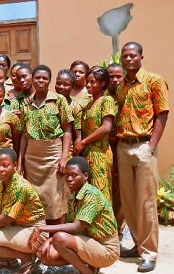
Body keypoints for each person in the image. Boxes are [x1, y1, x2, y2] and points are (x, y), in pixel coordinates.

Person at [116, 42, 169, 272]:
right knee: (129, 202)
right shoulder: (120, 87)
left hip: (143, 146)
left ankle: (149, 252)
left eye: (132, 55)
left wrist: (151, 145)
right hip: (122, 146)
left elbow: (162, 114)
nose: (128, 59)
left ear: (141, 57)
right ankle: (137, 245)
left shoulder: (154, 81)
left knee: (146, 203)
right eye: (125, 56)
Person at [33, 156, 119, 274]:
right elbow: (70, 228)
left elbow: (76, 227)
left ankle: (86, 272)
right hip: (89, 242)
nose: (69, 178)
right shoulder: (73, 194)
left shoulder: (91, 194)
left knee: (59, 239)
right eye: (67, 175)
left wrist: (42, 228)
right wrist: (48, 241)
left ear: (86, 176)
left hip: (106, 248)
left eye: (74, 175)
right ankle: (91, 266)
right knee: (47, 256)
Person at [18, 65, 74, 225]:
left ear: (49, 81)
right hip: (32, 157)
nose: (40, 81)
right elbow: (24, 134)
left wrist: (64, 157)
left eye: (44, 78)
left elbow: (68, 129)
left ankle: (57, 237)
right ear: (32, 80)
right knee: (35, 198)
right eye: (37, 78)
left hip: (53, 154)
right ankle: (40, 236)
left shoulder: (59, 101)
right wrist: (20, 162)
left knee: (55, 199)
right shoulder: (26, 104)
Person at [74, 66, 116, 200]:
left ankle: (104, 221)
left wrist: (83, 142)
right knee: (89, 194)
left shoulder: (106, 100)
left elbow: (106, 127)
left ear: (103, 83)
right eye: (87, 81)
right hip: (87, 154)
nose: (88, 85)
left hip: (100, 153)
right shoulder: (88, 104)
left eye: (93, 82)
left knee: (101, 192)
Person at [106, 63, 125, 239]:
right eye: (111, 76)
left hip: (122, 147)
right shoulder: (102, 96)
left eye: (118, 76)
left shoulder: (126, 96)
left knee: (120, 190)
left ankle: (118, 229)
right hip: (105, 148)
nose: (114, 80)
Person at [55, 69, 83, 155]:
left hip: (67, 151)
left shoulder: (75, 107)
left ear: (72, 86)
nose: (61, 87)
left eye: (66, 84)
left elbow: (78, 135)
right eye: (58, 83)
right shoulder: (49, 102)